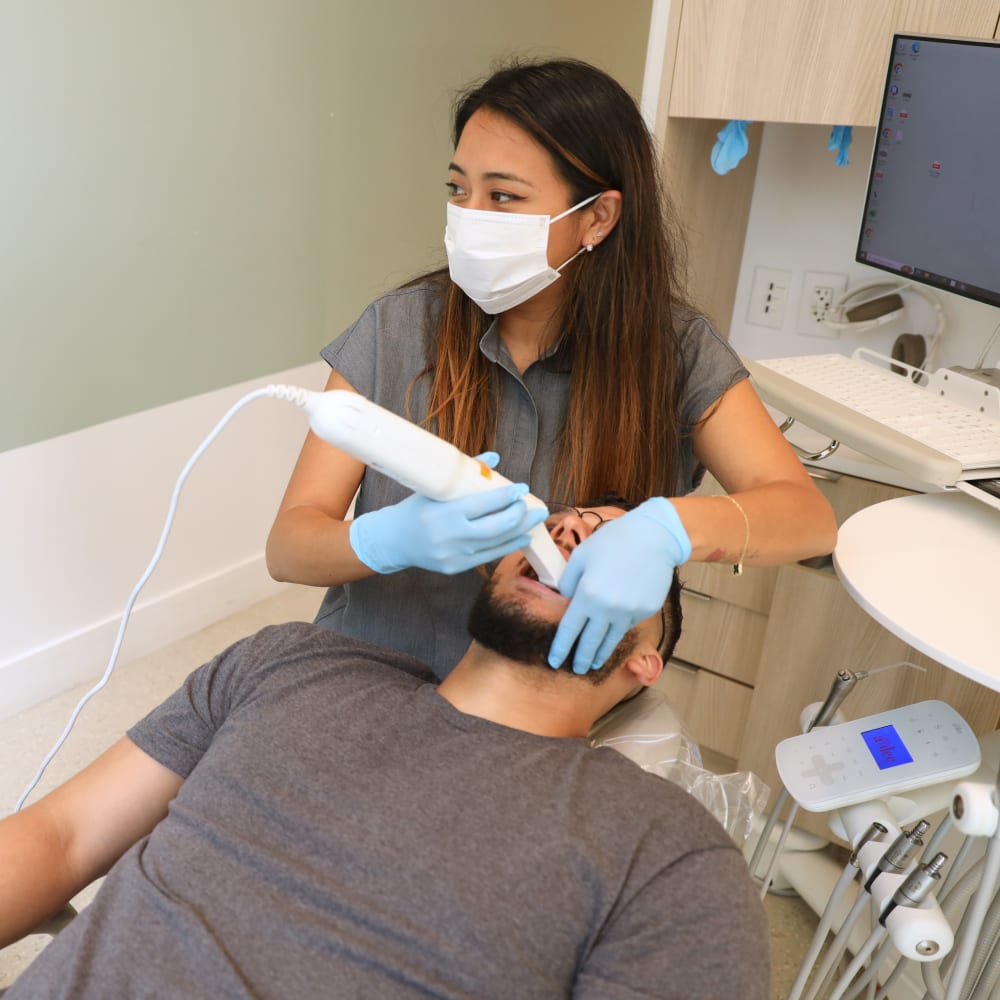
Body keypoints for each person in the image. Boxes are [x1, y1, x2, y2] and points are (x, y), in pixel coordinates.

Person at [1, 503, 769, 999]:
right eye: (567, 524)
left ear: (645, 662)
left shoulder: (667, 849)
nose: (573, 535)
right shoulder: (292, 664)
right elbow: (59, 838)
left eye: (614, 553)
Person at [266, 57, 837, 680]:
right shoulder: (397, 329)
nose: (471, 215)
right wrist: (387, 540)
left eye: (503, 196)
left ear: (598, 217)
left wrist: (666, 530)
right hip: (370, 672)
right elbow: (289, 547)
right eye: (459, 190)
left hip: (539, 700)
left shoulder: (676, 353)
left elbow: (806, 519)